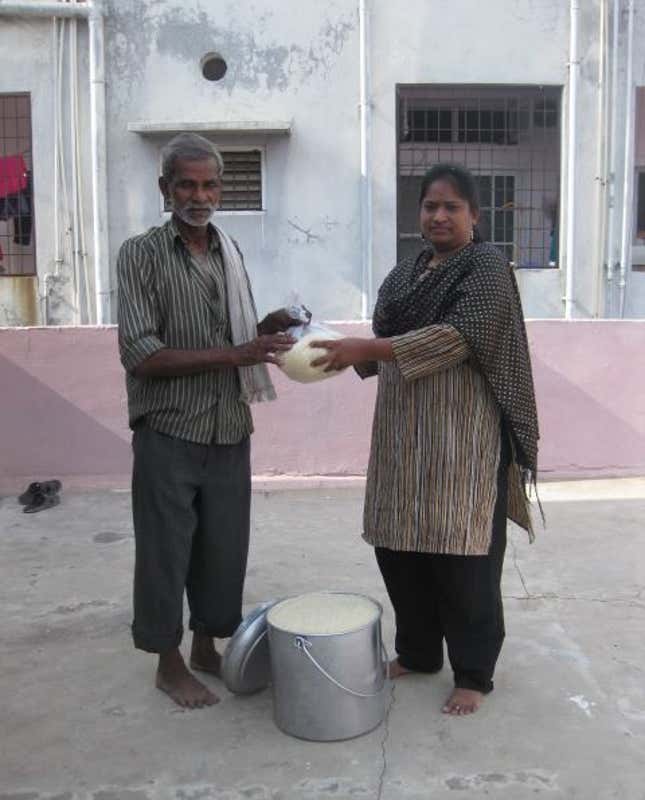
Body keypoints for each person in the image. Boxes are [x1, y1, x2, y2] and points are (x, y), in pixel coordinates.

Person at [311, 163, 539, 716]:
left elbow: (458, 337)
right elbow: (382, 338)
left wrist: (364, 350)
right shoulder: (403, 276)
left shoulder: (486, 268)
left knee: (466, 560)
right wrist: (318, 350)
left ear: (474, 216)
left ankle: (473, 672)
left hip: (466, 440)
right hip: (400, 439)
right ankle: (417, 652)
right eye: (430, 206)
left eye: (452, 207)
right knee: (399, 549)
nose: (438, 215)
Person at [117, 133, 299, 709]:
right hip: (168, 428)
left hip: (228, 424)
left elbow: (234, 336)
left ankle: (204, 647)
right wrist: (236, 355)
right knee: (166, 551)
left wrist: (265, 329)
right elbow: (141, 354)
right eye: (187, 185)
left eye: (211, 184)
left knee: (223, 547)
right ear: (164, 188)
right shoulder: (140, 254)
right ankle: (168, 664)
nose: (200, 196)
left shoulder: (228, 248)